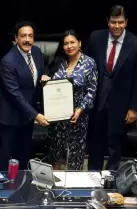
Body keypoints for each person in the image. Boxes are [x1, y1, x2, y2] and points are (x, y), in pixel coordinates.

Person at [85, 5, 137, 170]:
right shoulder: (95, 38)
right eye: (113, 22)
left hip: (121, 104)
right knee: (95, 144)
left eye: (120, 22)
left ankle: (111, 181)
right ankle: (93, 177)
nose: (117, 26)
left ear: (126, 22)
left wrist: (134, 108)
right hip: (97, 101)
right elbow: (86, 67)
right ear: (108, 22)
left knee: (115, 146)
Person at [0, 21, 48, 171]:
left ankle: (21, 188)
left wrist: (44, 79)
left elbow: (37, 76)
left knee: (24, 156)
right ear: (16, 38)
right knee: (6, 158)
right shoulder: (8, 61)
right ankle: (1, 191)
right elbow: (15, 94)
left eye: (30, 36)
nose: (27, 39)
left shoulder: (37, 53)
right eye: (23, 36)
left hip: (27, 118)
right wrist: (36, 115)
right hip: (10, 119)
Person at [43, 30, 98, 170]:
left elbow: (91, 91)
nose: (69, 46)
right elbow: (51, 89)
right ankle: (54, 189)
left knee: (74, 159)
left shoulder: (89, 63)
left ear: (79, 43)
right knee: (55, 156)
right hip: (57, 120)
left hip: (77, 119)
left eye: (72, 42)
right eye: (66, 43)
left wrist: (80, 109)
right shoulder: (58, 63)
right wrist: (46, 81)